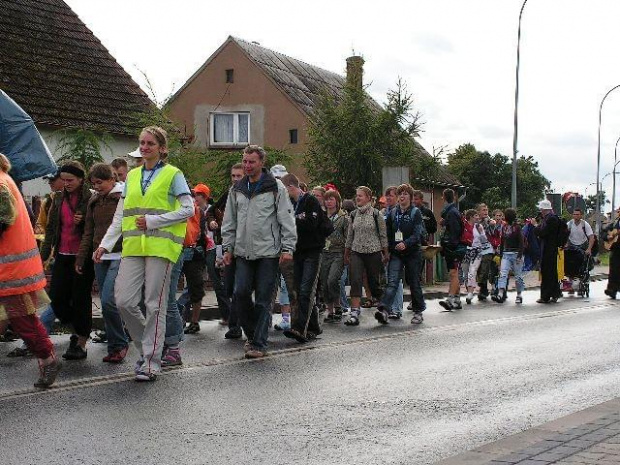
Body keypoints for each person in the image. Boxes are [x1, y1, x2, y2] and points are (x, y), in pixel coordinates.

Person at [96, 126, 193, 381]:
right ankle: (149, 349)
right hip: (133, 247)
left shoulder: (173, 174)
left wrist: (153, 221)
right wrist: (105, 243)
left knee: (154, 304)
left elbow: (188, 209)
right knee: (124, 301)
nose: (145, 147)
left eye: (150, 143)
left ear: (162, 148)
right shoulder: (132, 176)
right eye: (142, 143)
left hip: (161, 247)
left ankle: (151, 363)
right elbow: (121, 215)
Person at [221, 145, 297, 358]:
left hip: (269, 253)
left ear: (261, 163)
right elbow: (229, 221)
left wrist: (287, 248)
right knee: (240, 293)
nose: (247, 165)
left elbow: (286, 219)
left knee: (264, 299)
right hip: (243, 252)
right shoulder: (237, 189)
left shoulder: (275, 187)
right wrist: (228, 247)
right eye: (244, 161)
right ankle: (254, 333)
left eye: (251, 162)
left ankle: (259, 344)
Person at [0, 153, 60, 388]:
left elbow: (3, 221)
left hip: (9, 270)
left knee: (22, 319)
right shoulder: (4, 179)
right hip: (10, 268)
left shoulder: (1, 184)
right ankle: (48, 359)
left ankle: (48, 359)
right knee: (22, 319)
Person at [40, 160, 94, 360]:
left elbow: (93, 231)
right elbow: (52, 230)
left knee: (81, 299)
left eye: (70, 180)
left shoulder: (90, 198)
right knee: (57, 298)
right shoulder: (58, 198)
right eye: (63, 180)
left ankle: (80, 342)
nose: (66, 183)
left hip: (82, 257)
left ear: (81, 179)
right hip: (62, 254)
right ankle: (80, 327)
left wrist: (82, 223)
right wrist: (43, 257)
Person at [76, 163, 128, 363]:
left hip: (120, 254)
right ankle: (116, 343)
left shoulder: (122, 197)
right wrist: (82, 257)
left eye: (100, 182)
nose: (96, 187)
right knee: (107, 304)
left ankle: (120, 343)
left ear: (112, 180)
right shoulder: (94, 201)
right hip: (100, 256)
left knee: (108, 300)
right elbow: (89, 232)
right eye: (94, 183)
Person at [280, 174, 331, 343]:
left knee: (306, 291)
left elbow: (311, 224)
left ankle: (299, 328)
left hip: (312, 252)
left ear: (291, 187)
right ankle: (314, 327)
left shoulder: (310, 200)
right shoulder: (289, 204)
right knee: (298, 291)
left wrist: (294, 221)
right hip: (297, 252)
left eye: (284, 189)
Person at [375, 184, 425, 325]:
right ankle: (384, 310)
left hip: (412, 253)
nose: (402, 196)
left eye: (405, 194)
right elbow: (389, 234)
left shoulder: (415, 213)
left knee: (414, 283)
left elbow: (418, 234)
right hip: (397, 253)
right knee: (392, 282)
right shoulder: (392, 213)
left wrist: (406, 243)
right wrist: (388, 251)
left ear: (410, 197)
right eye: (400, 194)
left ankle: (418, 312)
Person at [343, 186, 388, 326]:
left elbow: (383, 235)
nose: (358, 198)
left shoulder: (376, 214)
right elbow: (350, 235)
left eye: (360, 196)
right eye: (357, 195)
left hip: (373, 252)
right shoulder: (353, 215)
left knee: (374, 283)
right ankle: (354, 312)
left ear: (368, 198)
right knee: (355, 280)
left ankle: (383, 310)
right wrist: (347, 253)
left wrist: (385, 253)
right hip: (357, 252)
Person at [214, 163, 244, 339]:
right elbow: (212, 211)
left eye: (238, 176)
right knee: (231, 288)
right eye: (233, 176)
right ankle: (237, 323)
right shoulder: (229, 193)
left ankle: (237, 325)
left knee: (243, 289)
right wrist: (214, 221)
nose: (235, 179)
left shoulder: (252, 193)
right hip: (230, 247)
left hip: (249, 249)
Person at [320, 189, 348, 322]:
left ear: (337, 201)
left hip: (338, 252)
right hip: (324, 252)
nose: (329, 202)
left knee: (332, 280)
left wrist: (347, 254)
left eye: (331, 199)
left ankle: (338, 305)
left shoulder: (343, 218)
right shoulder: (322, 216)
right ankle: (329, 308)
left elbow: (348, 237)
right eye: (327, 199)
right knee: (324, 282)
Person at [438, 188, 465, 311]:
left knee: (453, 273)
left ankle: (450, 299)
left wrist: (450, 246)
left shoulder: (452, 212)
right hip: (452, 246)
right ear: (454, 197)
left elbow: (455, 231)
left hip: (453, 247)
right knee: (454, 274)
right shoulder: (451, 212)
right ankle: (457, 299)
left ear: (443, 197)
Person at [461, 209, 493, 305]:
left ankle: (470, 293)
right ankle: (469, 290)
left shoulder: (479, 226)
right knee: (466, 272)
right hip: (466, 251)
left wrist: (481, 232)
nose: (478, 217)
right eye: (476, 216)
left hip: (477, 251)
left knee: (472, 271)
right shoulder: (464, 226)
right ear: (470, 217)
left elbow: (484, 240)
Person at [494, 208, 525, 304]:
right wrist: (501, 255)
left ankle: (519, 294)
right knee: (503, 274)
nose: (503, 217)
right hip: (506, 254)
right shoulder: (504, 227)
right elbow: (502, 242)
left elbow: (521, 242)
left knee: (518, 276)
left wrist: (520, 255)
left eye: (504, 215)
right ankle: (500, 293)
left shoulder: (517, 227)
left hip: (516, 254)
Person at [533, 199, 562, 303]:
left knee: (547, 273)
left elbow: (542, 232)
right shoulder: (549, 218)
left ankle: (546, 296)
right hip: (549, 249)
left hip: (549, 249)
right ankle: (555, 293)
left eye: (541, 209)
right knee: (551, 272)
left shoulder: (551, 219)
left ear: (544, 209)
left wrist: (535, 225)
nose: (540, 211)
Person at [563, 208, 594, 293]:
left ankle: (582, 282)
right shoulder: (569, 224)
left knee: (583, 263)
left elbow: (591, 237)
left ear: (581, 215)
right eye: (574, 214)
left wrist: (589, 249)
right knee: (570, 262)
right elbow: (564, 235)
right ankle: (571, 283)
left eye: (578, 214)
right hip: (572, 245)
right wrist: (564, 244)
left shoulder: (584, 224)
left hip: (583, 245)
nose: (576, 216)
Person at [35, 170, 64, 235]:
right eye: (49, 180)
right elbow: (40, 223)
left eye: (52, 179)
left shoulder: (74, 199)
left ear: (64, 179)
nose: (50, 183)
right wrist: (40, 229)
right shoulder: (47, 202)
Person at [604, 208, 620, 299]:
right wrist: (609, 236)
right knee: (613, 270)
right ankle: (612, 290)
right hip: (615, 249)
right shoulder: (614, 223)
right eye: (618, 211)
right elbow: (604, 232)